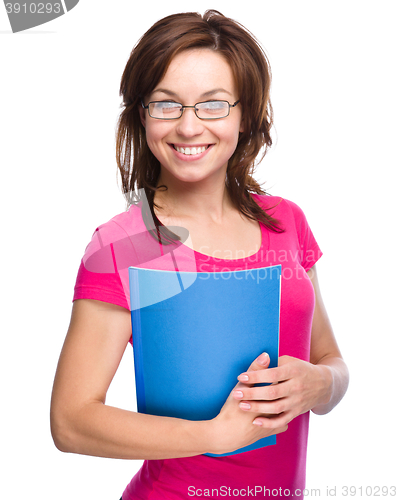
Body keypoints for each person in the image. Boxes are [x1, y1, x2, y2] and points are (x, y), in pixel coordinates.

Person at [50, 10, 349, 500]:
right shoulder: (122, 245)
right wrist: (212, 436)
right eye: (166, 105)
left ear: (245, 115)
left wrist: (321, 385)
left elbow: (331, 361)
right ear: (141, 115)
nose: (189, 127)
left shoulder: (287, 221)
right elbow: (70, 421)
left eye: (213, 105)